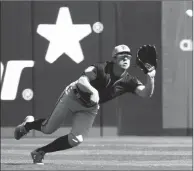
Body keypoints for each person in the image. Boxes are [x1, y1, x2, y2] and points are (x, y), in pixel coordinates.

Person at [14, 44, 156, 165]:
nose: (125, 58)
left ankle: (40, 152)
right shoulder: (102, 68)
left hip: (89, 108)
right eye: (121, 55)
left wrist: (151, 78)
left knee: (76, 139)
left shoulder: (129, 81)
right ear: (114, 59)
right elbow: (82, 79)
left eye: (128, 56)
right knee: (48, 129)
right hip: (73, 96)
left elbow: (145, 93)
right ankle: (28, 125)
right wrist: (93, 90)